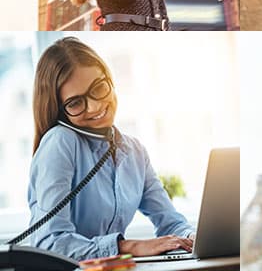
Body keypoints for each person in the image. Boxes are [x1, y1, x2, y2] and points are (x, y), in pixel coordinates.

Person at [28, 37, 194, 260]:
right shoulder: (61, 141)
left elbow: (171, 222)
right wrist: (130, 247)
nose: (95, 106)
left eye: (98, 88)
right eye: (76, 102)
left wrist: (192, 237)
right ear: (60, 111)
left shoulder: (134, 151)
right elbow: (50, 243)